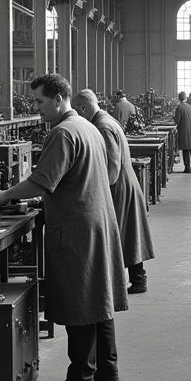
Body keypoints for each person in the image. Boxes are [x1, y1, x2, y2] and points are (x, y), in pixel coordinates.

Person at [0, 73, 128, 381]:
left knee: (81, 302)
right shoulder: (87, 127)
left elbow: (41, 180)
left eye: (39, 102)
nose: (37, 109)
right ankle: (108, 370)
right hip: (97, 220)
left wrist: (5, 196)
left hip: (78, 227)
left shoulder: (63, 133)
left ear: (58, 99)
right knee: (99, 297)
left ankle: (81, 379)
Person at [73, 88, 155, 295]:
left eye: (76, 110)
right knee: (128, 234)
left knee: (116, 235)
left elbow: (112, 168)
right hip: (125, 184)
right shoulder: (107, 120)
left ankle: (122, 283)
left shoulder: (102, 126)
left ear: (83, 108)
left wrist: (101, 191)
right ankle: (137, 279)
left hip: (118, 186)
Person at [173, 91, 191, 172]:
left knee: (186, 150)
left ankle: (187, 168)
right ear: (186, 98)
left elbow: (177, 121)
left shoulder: (179, 107)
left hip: (185, 131)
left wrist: (173, 118)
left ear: (179, 98)